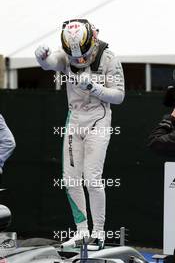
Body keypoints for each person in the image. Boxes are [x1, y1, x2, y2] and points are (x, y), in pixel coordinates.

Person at [35, 19, 125, 250]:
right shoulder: (65, 55)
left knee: (92, 177)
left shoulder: (108, 57)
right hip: (74, 118)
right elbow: (51, 63)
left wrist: (94, 87)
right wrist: (42, 58)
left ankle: (99, 233)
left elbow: (119, 95)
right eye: (75, 56)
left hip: (99, 117)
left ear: (93, 40)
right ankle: (82, 231)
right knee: (70, 178)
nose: (80, 60)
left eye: (84, 55)